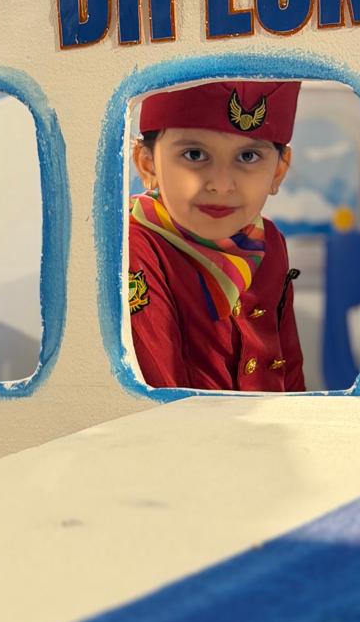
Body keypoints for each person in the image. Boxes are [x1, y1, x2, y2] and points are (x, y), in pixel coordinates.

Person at [128, 79, 305, 391]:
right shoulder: (134, 245)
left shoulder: (269, 240)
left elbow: (289, 369)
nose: (221, 185)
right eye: (195, 154)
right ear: (148, 164)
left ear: (278, 171)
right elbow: (160, 394)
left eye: (248, 157)